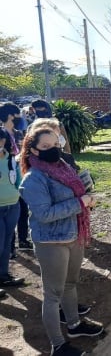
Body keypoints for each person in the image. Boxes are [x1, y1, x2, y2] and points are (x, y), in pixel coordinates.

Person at [19, 128, 103, 356]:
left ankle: (74, 326)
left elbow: (73, 196)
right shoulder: (33, 179)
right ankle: (58, 345)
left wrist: (86, 192)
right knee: (53, 294)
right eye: (46, 146)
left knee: (70, 284)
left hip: (73, 234)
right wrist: (81, 202)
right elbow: (45, 214)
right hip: (51, 242)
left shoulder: (63, 168)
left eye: (55, 143)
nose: (53, 149)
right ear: (33, 150)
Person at [0, 102, 33, 257]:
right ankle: (10, 247)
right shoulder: (1, 135)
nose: (20, 116)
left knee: (23, 210)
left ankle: (23, 240)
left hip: (21, 174)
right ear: (9, 115)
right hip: (7, 178)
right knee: (9, 214)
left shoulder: (19, 133)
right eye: (16, 114)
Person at [0, 128, 25, 296]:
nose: (0, 143)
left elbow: (18, 180)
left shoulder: (11, 159)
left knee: (7, 243)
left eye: (2, 140)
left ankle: (3, 275)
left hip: (13, 205)